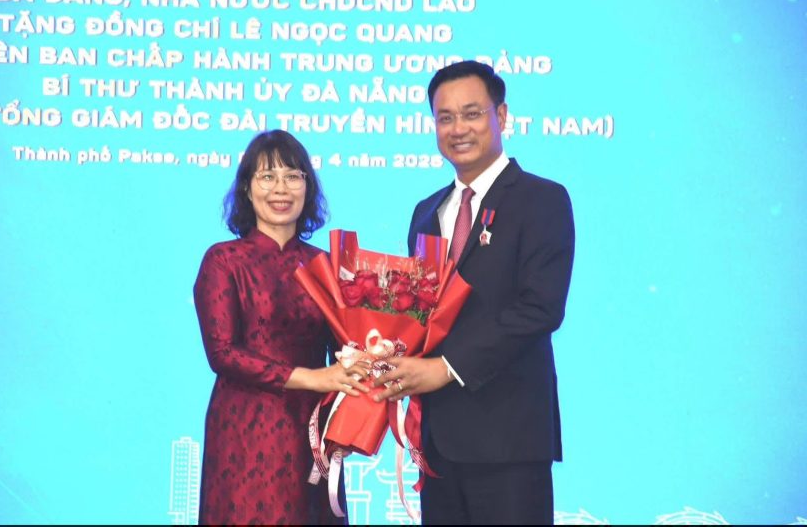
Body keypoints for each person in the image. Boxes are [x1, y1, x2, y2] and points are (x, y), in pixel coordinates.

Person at [374, 60, 575, 525]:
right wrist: (384, 354)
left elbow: (540, 309)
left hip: (508, 438)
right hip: (439, 444)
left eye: (471, 114)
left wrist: (444, 368)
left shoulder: (542, 199)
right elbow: (421, 313)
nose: (458, 128)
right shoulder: (427, 212)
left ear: (500, 116)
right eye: (445, 118)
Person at [193, 129, 369, 525]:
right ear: (247, 188)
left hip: (312, 427)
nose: (280, 188)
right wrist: (312, 378)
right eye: (267, 176)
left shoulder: (327, 264)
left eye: (292, 176)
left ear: (308, 186)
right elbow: (223, 353)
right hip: (244, 428)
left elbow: (348, 347)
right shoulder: (224, 260)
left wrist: (371, 358)